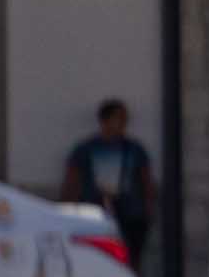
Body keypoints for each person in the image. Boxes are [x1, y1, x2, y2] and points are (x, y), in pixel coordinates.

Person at [56, 99, 156, 263]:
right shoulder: (86, 149)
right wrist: (67, 210)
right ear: (105, 120)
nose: (123, 123)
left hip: (131, 216)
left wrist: (148, 209)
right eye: (119, 118)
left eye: (125, 119)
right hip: (95, 216)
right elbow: (72, 180)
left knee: (131, 261)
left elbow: (146, 181)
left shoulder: (135, 149)